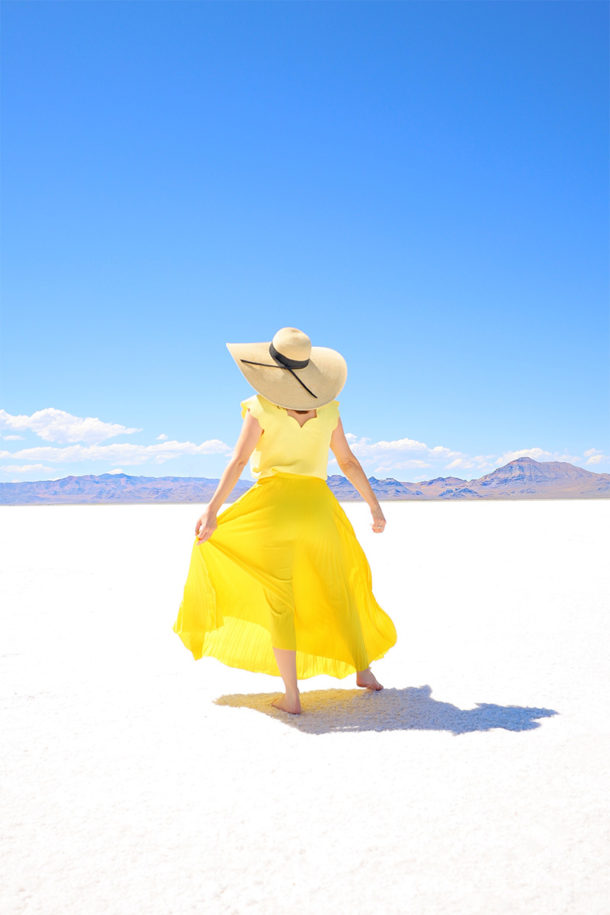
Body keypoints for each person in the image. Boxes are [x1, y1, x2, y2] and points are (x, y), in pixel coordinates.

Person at [172, 326, 398, 715]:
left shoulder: (260, 406)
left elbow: (239, 461)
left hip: (273, 509)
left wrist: (212, 510)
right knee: (338, 587)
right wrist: (373, 506)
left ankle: (292, 696)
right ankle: (363, 671)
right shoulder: (329, 410)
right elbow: (347, 462)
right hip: (319, 508)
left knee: (281, 600)